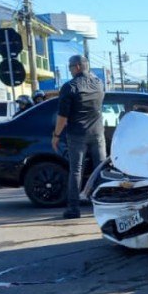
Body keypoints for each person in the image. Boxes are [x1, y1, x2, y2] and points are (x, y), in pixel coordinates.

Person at [53, 55, 105, 220]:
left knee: (76, 171)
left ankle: (74, 209)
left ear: (76, 67)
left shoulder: (69, 87)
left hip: (77, 134)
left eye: (69, 67)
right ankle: (103, 205)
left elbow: (62, 117)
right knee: (100, 170)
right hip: (97, 133)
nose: (69, 70)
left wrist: (56, 135)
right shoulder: (99, 83)